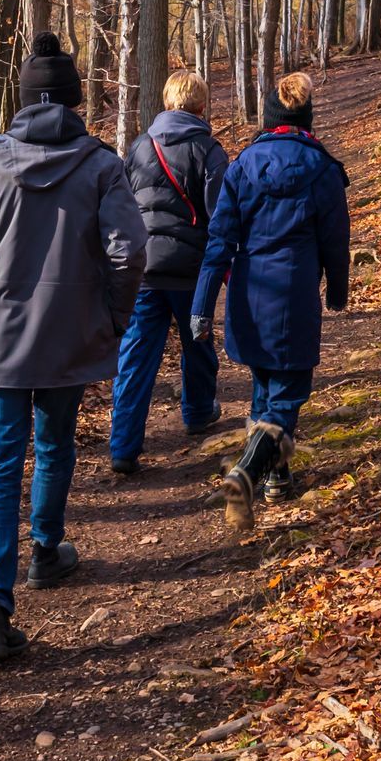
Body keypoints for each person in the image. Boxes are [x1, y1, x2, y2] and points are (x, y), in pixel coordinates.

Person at [0, 32, 146, 662]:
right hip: (68, 335)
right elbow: (130, 249)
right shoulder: (101, 164)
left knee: (0, 467)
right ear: (76, 101)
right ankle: (46, 550)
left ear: (24, 103)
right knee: (54, 444)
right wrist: (112, 315)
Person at [191, 72, 351, 532]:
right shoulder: (322, 169)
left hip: (248, 293)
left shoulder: (243, 164)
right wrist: (337, 291)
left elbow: (219, 239)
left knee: (265, 386)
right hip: (294, 294)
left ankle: (277, 478)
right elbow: (335, 241)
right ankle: (246, 471)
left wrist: (202, 306)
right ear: (307, 117)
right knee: (287, 396)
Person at [108, 71, 230, 475]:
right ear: (201, 105)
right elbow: (220, 214)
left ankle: (123, 444)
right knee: (198, 340)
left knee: (136, 354)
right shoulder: (209, 150)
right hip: (191, 269)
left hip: (144, 268)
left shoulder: (139, 147)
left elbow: (124, 205)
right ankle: (196, 412)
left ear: (166, 102)